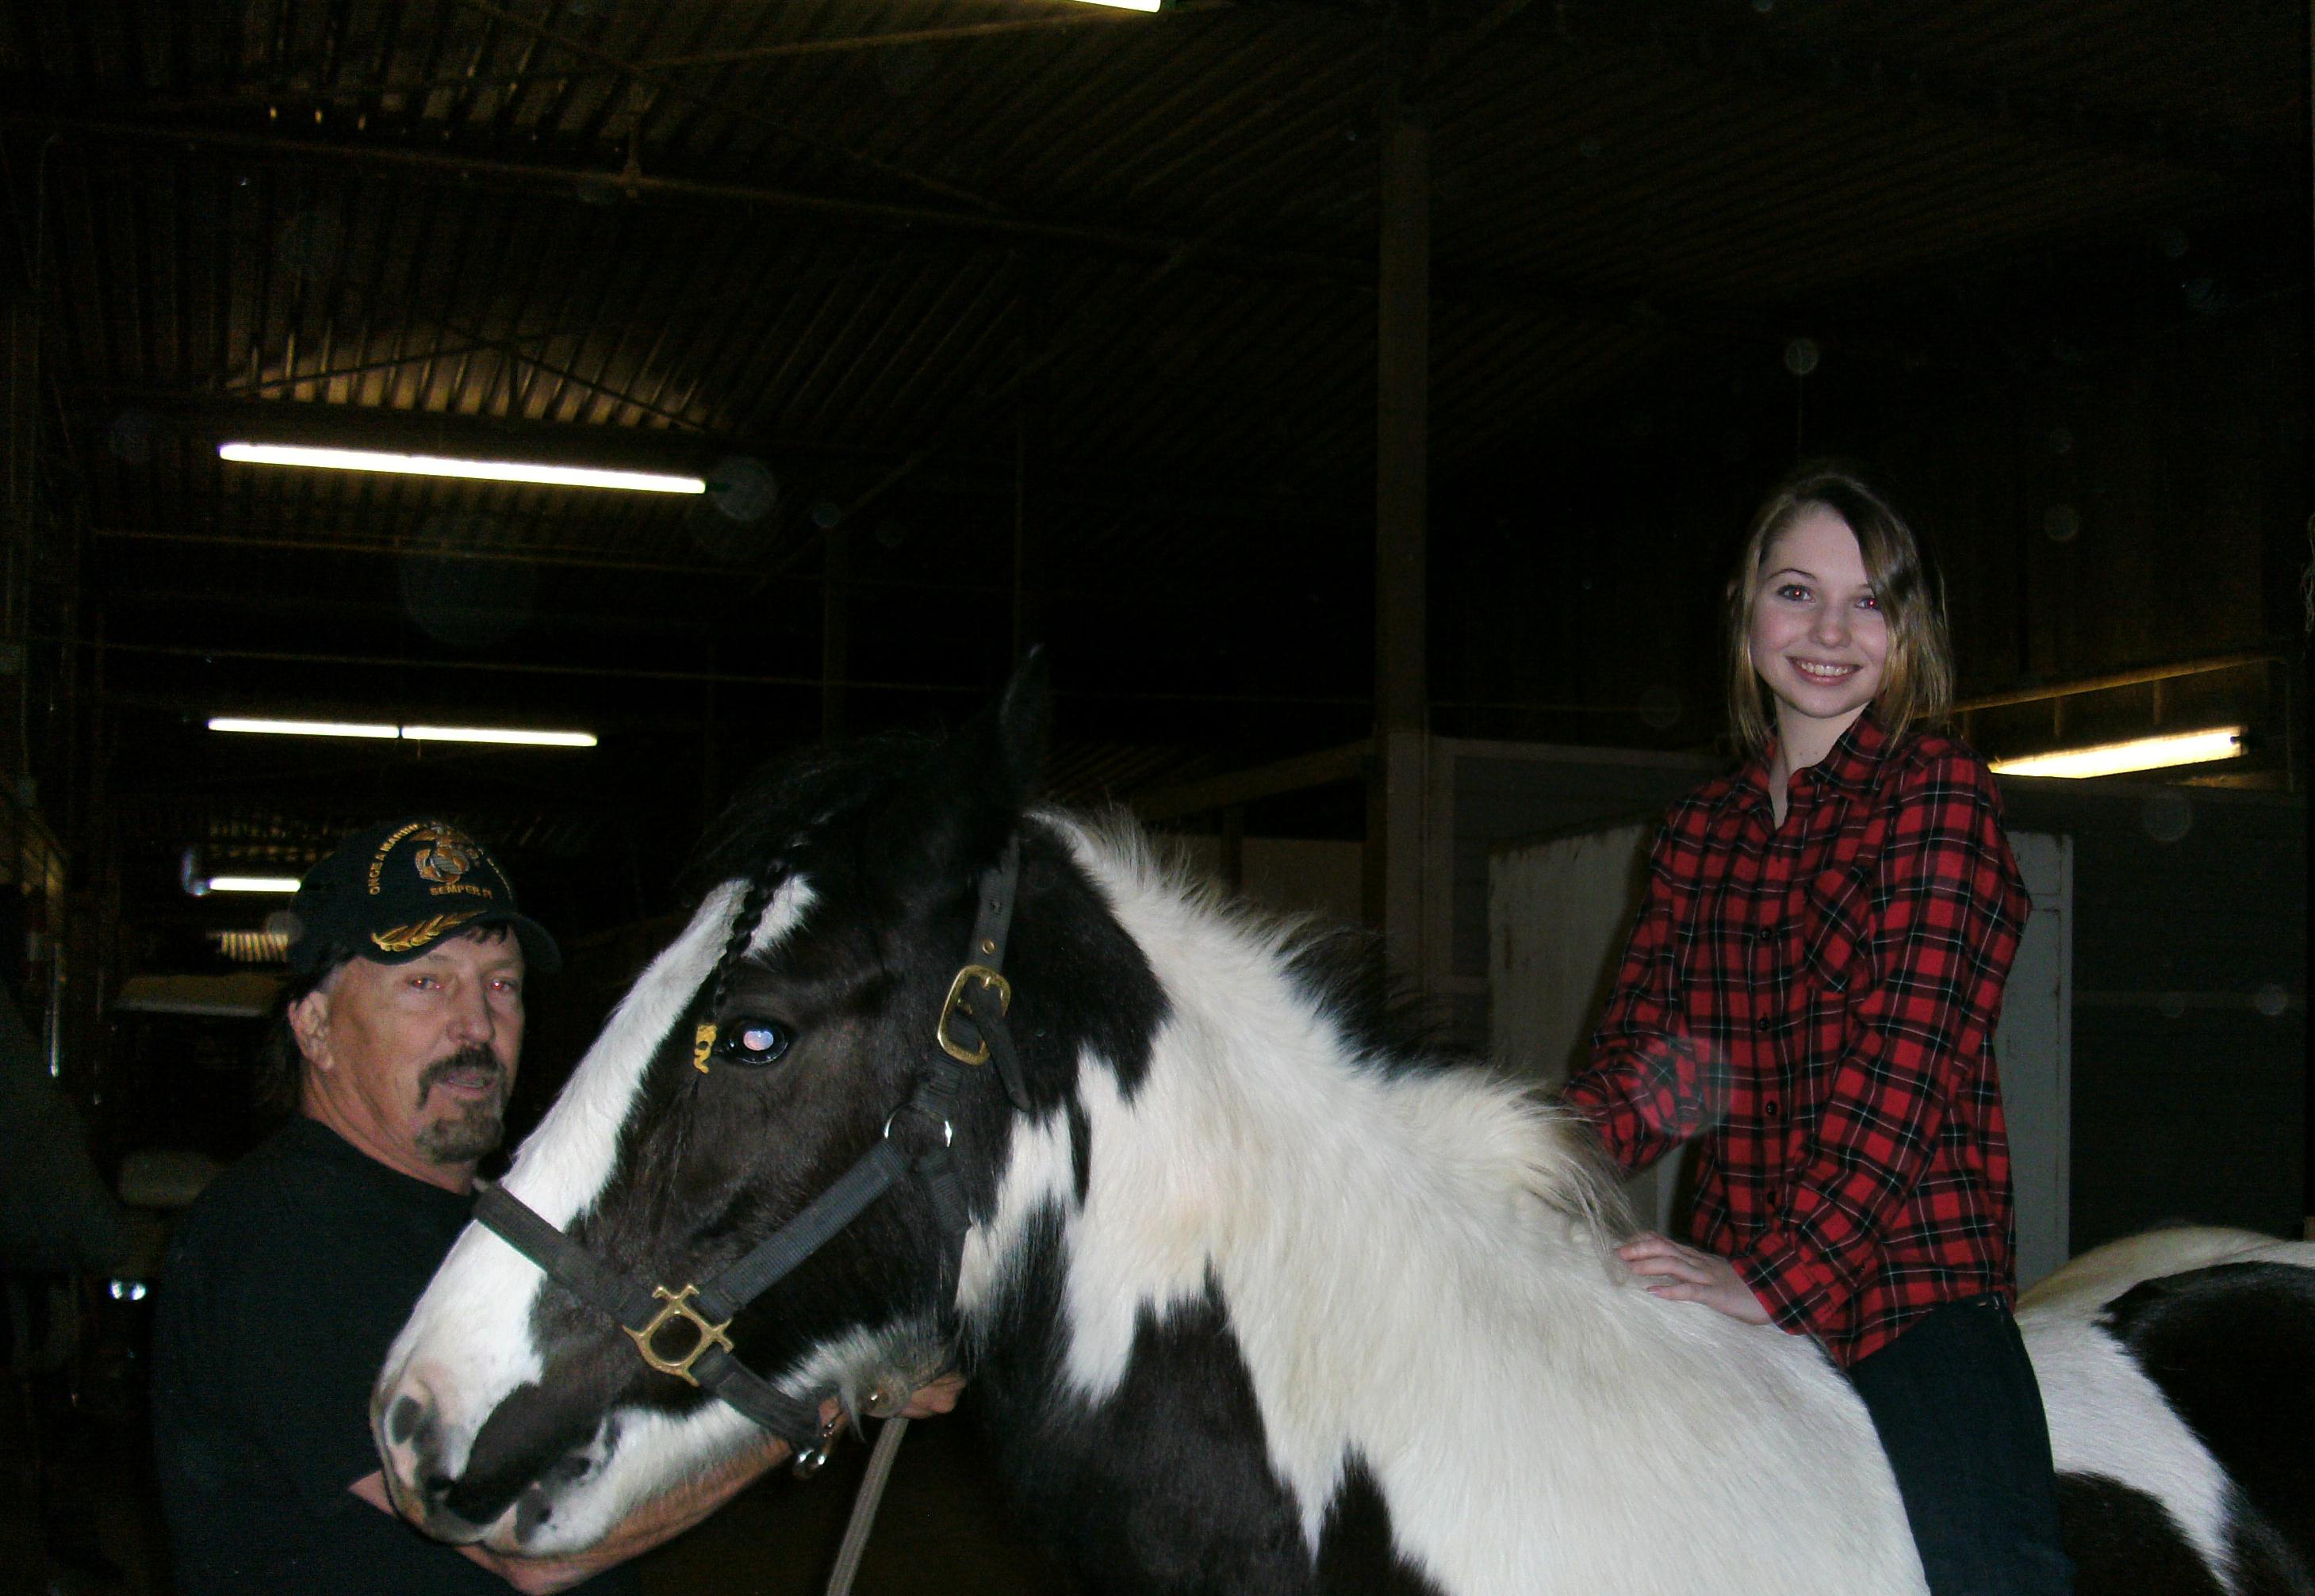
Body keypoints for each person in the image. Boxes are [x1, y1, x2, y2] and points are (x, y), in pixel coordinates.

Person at [1561, 465, 2073, 1595]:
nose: (1828, 631)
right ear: (1746, 614)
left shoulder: (1933, 794)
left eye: (1867, 602)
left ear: (1904, 632)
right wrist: (1512, 1154)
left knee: (2000, 1574)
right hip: (1731, 1271)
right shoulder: (1701, 831)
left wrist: (1772, 1280)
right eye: (1796, 592)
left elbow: (1908, 1063)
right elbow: (1674, 1073)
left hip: (1908, 1285)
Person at [150, 817, 791, 1594]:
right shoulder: (282, 1237)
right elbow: (528, 1540)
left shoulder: (497, 1229)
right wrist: (802, 1405)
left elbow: (630, 1423)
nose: (477, 1024)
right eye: (425, 982)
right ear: (315, 1027)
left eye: (501, 984)